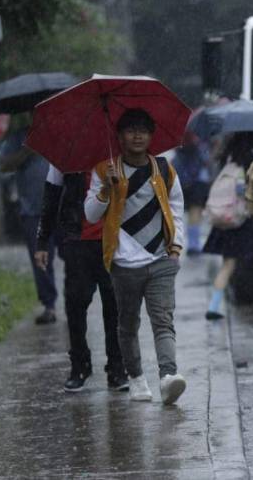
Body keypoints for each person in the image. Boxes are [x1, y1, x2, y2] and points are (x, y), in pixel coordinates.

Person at [84, 108, 187, 405]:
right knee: (128, 323)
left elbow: (176, 207)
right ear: (119, 137)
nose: (138, 136)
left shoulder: (164, 169)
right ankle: (136, 377)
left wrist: (175, 246)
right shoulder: (104, 171)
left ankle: (168, 376)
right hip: (123, 263)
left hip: (160, 259)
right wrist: (107, 188)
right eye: (131, 130)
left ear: (152, 135)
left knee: (163, 320)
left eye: (143, 130)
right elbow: (90, 215)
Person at [35, 165, 127, 393]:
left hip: (113, 241)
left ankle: (117, 367)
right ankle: (79, 366)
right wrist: (42, 241)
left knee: (115, 305)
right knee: (75, 305)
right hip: (76, 239)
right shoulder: (66, 155)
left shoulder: (117, 152)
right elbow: (51, 196)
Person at [203, 131, 253, 320]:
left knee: (228, 265)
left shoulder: (229, 160)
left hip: (231, 220)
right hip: (252, 220)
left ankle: (214, 306)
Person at [0, 114, 57, 325]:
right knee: (41, 258)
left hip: (64, 207)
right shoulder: (19, 136)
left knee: (76, 257)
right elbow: (4, 165)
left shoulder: (59, 131)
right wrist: (27, 151)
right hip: (33, 208)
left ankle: (76, 301)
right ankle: (49, 304)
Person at [171, 132, 212, 255]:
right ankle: (193, 245)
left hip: (181, 178)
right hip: (197, 180)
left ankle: (174, 243)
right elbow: (204, 160)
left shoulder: (179, 132)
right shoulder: (198, 134)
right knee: (195, 212)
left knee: (177, 213)